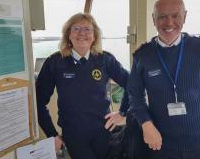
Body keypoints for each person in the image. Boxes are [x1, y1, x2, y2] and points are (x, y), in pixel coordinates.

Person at [127, 0, 200, 158]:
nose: (169, 23)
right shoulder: (143, 55)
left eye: (175, 16)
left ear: (185, 16)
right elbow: (134, 95)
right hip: (161, 146)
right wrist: (146, 124)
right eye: (162, 17)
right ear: (154, 20)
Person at [36, 13, 130, 159]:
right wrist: (52, 135)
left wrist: (122, 112)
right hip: (74, 135)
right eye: (76, 29)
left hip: (103, 131)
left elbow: (132, 84)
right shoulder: (55, 62)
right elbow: (38, 102)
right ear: (68, 34)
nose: (82, 33)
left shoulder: (105, 60)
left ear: (94, 36)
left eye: (87, 29)